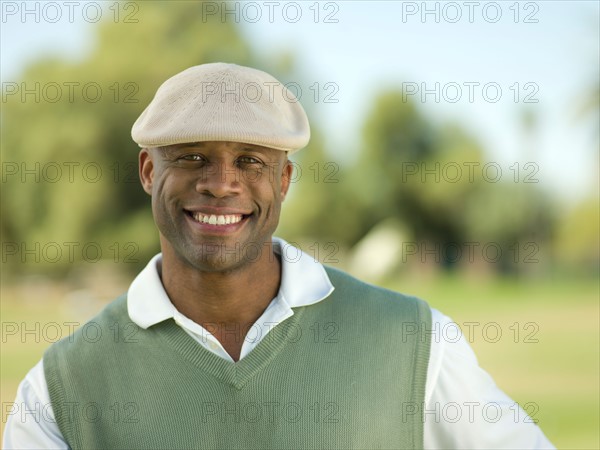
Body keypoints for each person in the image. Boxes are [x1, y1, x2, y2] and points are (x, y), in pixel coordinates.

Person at [3, 63, 554, 449]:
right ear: (150, 172)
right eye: (192, 156)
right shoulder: (60, 388)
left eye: (250, 161)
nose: (221, 184)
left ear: (284, 180)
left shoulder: (415, 342)